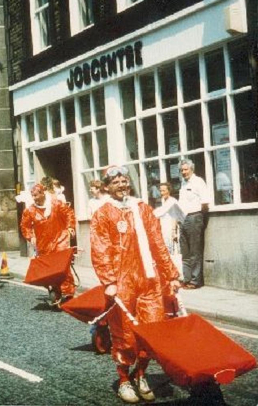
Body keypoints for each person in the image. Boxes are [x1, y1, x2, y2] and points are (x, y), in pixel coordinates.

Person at [90, 165, 180, 403]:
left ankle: (141, 374)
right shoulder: (103, 213)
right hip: (122, 283)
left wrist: (171, 274)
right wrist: (109, 281)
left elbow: (158, 243)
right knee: (126, 336)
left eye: (124, 180)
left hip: (149, 280)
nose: (121, 185)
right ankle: (123, 380)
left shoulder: (143, 208)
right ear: (107, 187)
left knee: (151, 332)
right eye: (115, 182)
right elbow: (100, 249)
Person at [20, 183, 76, 308]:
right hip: (43, 243)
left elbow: (69, 214)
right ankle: (54, 289)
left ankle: (68, 292)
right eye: (32, 196)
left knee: (62, 266)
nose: (34, 198)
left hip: (60, 239)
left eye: (36, 195)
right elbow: (25, 226)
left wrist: (70, 227)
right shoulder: (30, 210)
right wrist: (31, 236)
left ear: (43, 193)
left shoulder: (56, 204)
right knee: (48, 269)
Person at [178, 159, 210, 290]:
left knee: (195, 250)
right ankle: (187, 279)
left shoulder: (198, 182)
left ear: (192, 169)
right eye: (181, 170)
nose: (183, 172)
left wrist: (199, 217)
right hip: (183, 218)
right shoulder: (183, 183)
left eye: (186, 169)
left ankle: (195, 281)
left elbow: (205, 202)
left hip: (194, 217)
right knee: (185, 251)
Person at [153, 182, 185, 278]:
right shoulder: (165, 202)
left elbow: (174, 217)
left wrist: (174, 231)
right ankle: (170, 274)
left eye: (164, 190)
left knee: (174, 253)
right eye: (161, 190)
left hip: (170, 230)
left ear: (169, 191)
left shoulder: (172, 201)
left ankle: (178, 275)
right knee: (166, 252)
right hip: (164, 229)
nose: (162, 192)